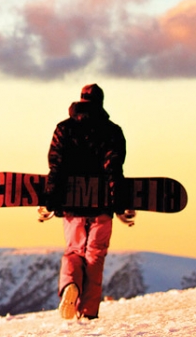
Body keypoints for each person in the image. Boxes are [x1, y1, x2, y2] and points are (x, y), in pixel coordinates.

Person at [38, 83, 135, 320]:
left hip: (71, 206)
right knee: (95, 255)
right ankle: (88, 312)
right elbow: (114, 170)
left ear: (80, 101)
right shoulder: (113, 131)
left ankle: (71, 284)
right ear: (100, 103)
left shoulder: (64, 129)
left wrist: (50, 202)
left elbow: (56, 167)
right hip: (102, 206)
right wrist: (119, 205)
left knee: (74, 251)